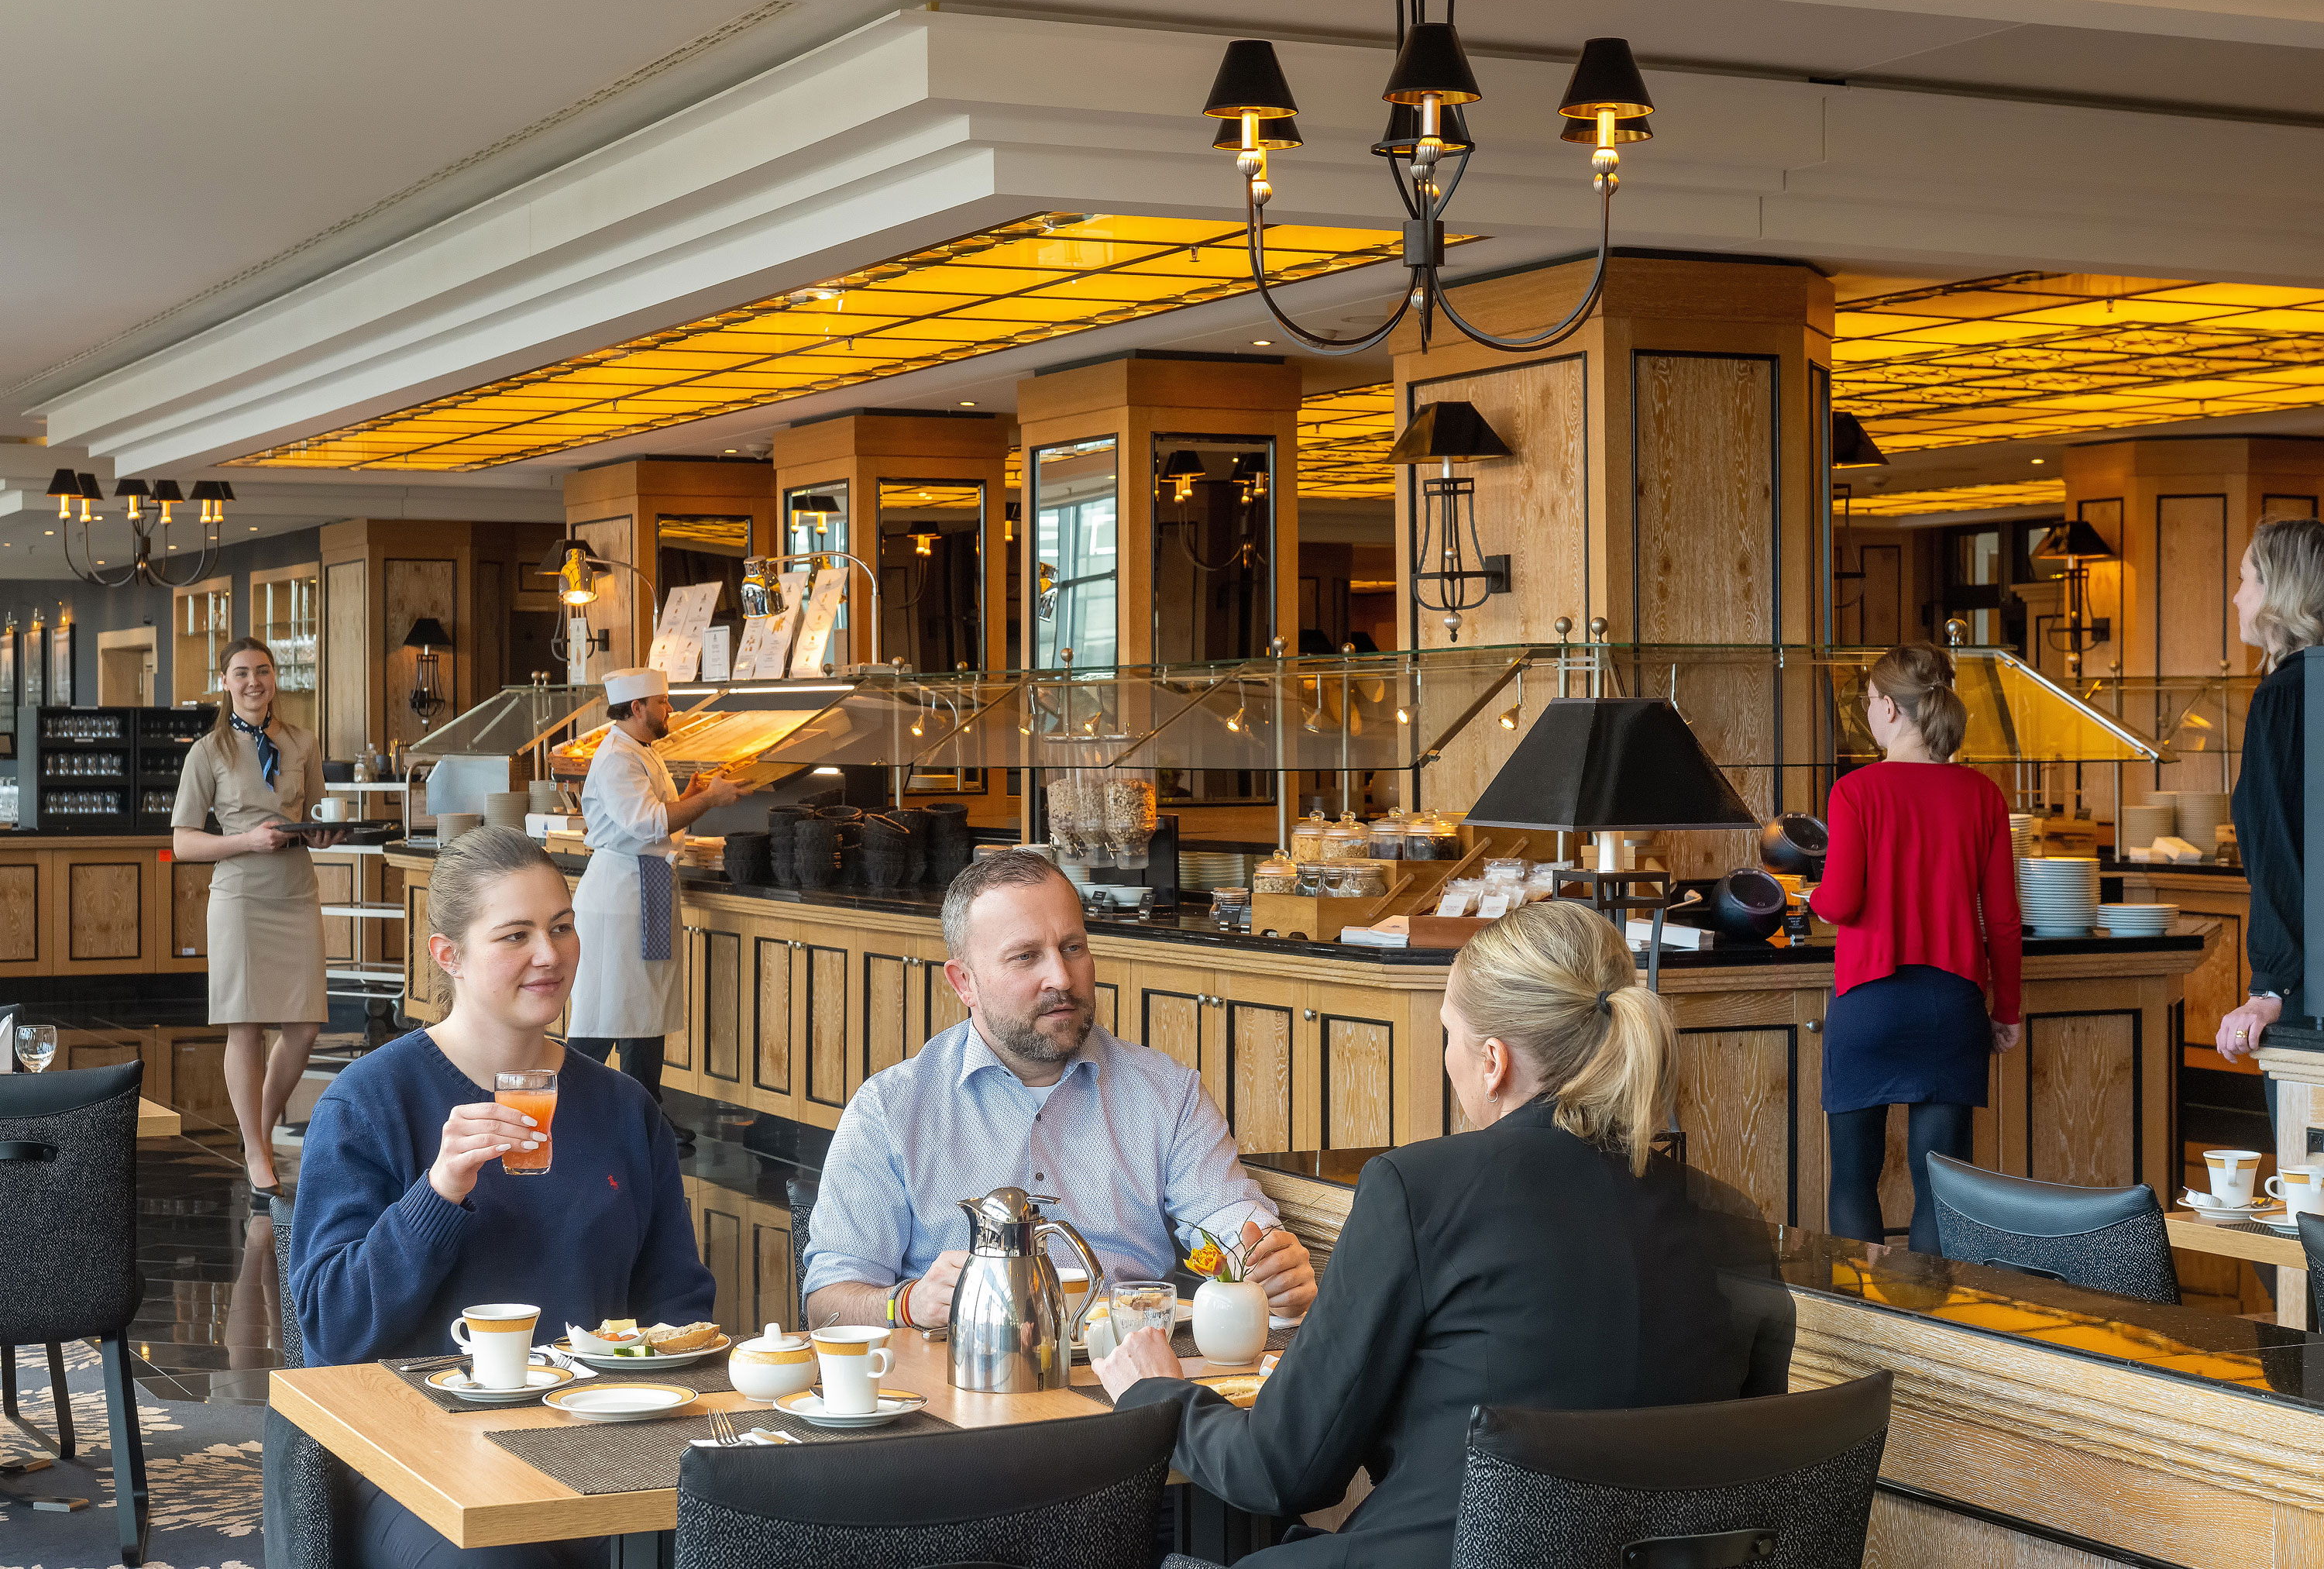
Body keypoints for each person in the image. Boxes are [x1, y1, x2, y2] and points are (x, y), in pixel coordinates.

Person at [1094, 900, 1770, 1568]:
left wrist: (1158, 1394)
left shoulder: (1420, 1189)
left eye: (1449, 1033)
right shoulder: (1732, 1224)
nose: (1448, 1057)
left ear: (1494, 1061)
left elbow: (1281, 1470)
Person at [290, 827, 714, 1569]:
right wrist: (437, 1193)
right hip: (418, 1458)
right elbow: (332, 1328)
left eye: (561, 927)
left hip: (599, 1446)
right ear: (447, 955)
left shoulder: (623, 1107)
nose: (549, 954)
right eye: (515, 935)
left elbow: (678, 1310)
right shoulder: (372, 1100)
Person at [803, 850, 1318, 1328]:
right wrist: (907, 1304)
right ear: (964, 983)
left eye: (1073, 948)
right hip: (963, 1377)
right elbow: (827, 1302)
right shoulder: (891, 1109)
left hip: (1129, 1373)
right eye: (1026, 957)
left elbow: (1228, 1220)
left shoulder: (1167, 1094)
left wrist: (1270, 1266)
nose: (1062, 978)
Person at [1810, 642, 2021, 1253]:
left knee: (1854, 1179)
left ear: (1890, 709)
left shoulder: (1855, 791)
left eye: (1869, 702)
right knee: (1941, 1191)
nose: (1868, 713)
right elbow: (2003, 921)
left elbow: (1841, 902)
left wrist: (1810, 894)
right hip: (1952, 1007)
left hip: (1869, 1004)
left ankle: (1859, 1312)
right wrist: (2006, 1010)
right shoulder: (1983, 795)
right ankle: (1931, 1315)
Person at [171, 638, 338, 1214]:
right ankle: (258, 1154)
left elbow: (315, 815)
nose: (253, 682)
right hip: (240, 895)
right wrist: (247, 840)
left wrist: (322, 833)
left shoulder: (302, 742)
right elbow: (183, 842)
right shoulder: (208, 751)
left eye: (262, 671)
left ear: (275, 678)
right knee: (244, 1027)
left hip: (296, 890)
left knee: (304, 1027)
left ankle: (255, 1134)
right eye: (241, 673)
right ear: (225, 682)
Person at [566, 666, 738, 1143]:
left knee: (646, 1009)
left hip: (652, 886)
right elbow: (647, 824)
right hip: (620, 896)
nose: (669, 709)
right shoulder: (616, 757)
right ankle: (564, 1114)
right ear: (637, 707)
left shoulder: (643, 749)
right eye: (662, 702)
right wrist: (710, 801)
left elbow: (658, 815)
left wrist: (691, 797)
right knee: (604, 1011)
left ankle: (646, 1117)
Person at [2216, 521, 2324, 1106]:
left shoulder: (2285, 696)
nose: (2236, 597)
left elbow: (2281, 848)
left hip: (2312, 988)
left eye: (2245, 579)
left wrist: (2270, 987)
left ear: (2281, 591)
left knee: (2310, 1153)